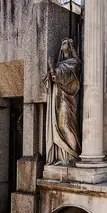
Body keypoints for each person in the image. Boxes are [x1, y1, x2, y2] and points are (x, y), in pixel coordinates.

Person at [47, 38, 81, 166]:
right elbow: (55, 77)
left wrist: (52, 67)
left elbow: (65, 77)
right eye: (62, 44)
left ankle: (72, 156)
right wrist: (52, 70)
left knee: (67, 125)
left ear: (71, 47)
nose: (64, 46)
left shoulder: (74, 63)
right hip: (59, 97)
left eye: (66, 44)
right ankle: (63, 157)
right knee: (60, 126)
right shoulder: (61, 64)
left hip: (68, 98)